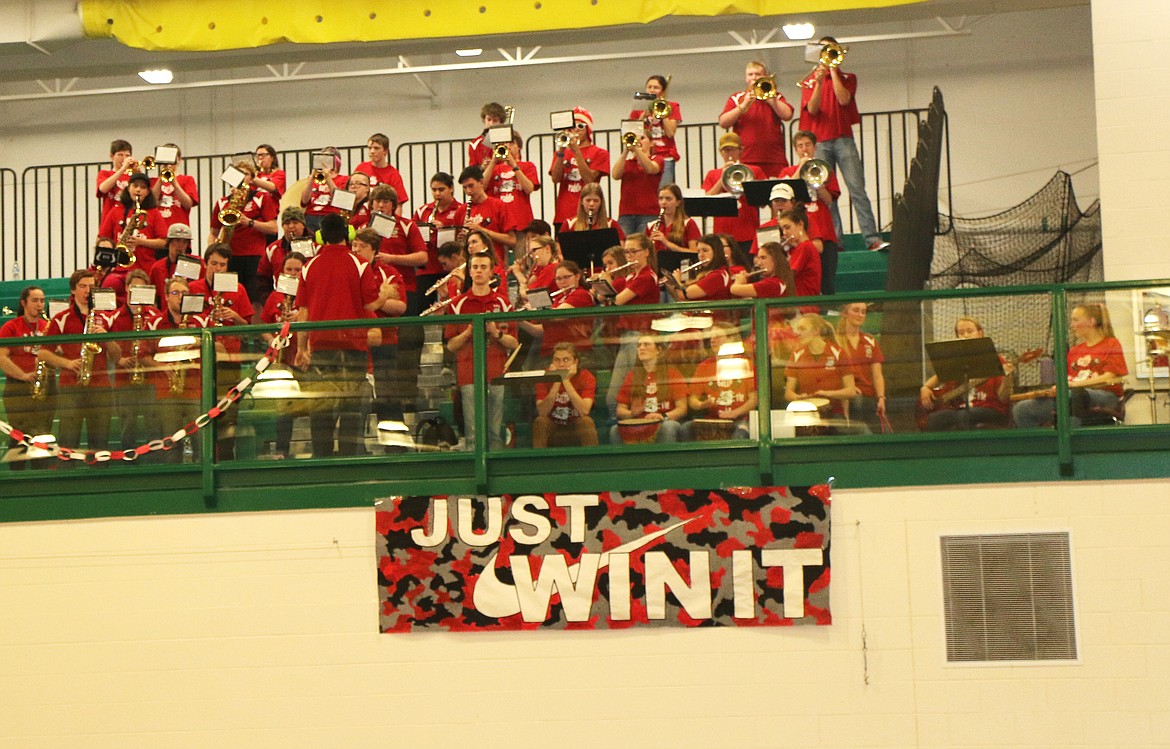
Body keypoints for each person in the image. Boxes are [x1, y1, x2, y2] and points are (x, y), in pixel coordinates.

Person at [295, 214, 395, 457]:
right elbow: (371, 305)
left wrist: (301, 348)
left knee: (321, 408)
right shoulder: (359, 264)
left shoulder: (309, 267)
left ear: (320, 237)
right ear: (348, 235)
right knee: (351, 407)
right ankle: (350, 457)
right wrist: (384, 293)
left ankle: (322, 460)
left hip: (321, 347)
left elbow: (303, 312)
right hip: (353, 347)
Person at [799, 36, 886, 250]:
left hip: (844, 139)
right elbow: (812, 109)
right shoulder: (810, 81)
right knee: (826, 193)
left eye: (831, 51)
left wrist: (834, 71)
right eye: (824, 51)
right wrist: (819, 82)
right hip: (819, 142)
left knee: (857, 189)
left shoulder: (848, 77)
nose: (827, 55)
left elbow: (844, 99)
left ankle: (871, 239)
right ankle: (835, 241)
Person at [38, 270, 118, 463]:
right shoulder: (61, 318)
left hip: (100, 388)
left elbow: (117, 355)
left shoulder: (106, 318)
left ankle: (99, 483)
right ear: (73, 290)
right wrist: (68, 363)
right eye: (83, 286)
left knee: (100, 445)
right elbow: (43, 353)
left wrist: (106, 338)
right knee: (68, 441)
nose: (87, 291)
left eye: (91, 287)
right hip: (71, 387)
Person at [444, 250, 518, 451]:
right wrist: (468, 333)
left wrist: (496, 333)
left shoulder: (503, 303)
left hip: (496, 372)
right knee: (472, 433)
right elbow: (450, 345)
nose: (478, 271)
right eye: (475, 267)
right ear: (469, 271)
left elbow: (514, 343)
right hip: (468, 374)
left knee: (495, 431)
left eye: (483, 267)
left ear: (491, 271)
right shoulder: (457, 304)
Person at [1012, 303, 1127, 429]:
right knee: (1021, 410)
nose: (1072, 325)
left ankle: (1072, 441)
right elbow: (1068, 379)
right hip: (1070, 394)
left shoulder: (1111, 344)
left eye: (1075, 320)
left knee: (1073, 395)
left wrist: (1072, 386)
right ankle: (1042, 447)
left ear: (1091, 321)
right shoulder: (1074, 351)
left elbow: (1108, 377)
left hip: (1104, 395)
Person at [189, 244, 256, 459]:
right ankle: (202, 460)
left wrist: (235, 316)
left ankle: (227, 460)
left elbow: (248, 328)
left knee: (228, 414)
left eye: (223, 265)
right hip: (201, 362)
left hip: (230, 361)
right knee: (202, 413)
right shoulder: (193, 288)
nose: (218, 268)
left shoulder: (238, 288)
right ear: (205, 264)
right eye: (214, 263)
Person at [149, 276, 210, 464]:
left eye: (184, 293)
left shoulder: (201, 322)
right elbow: (143, 354)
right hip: (167, 392)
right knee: (170, 445)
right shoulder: (155, 323)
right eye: (175, 293)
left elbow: (220, 348)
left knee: (202, 443)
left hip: (195, 390)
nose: (180, 297)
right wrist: (160, 366)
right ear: (166, 297)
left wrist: (201, 341)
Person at [919, 317, 1013, 431]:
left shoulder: (996, 360)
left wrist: (1008, 377)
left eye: (970, 331)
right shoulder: (957, 360)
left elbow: (1003, 398)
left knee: (964, 416)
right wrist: (925, 388)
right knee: (934, 418)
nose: (966, 335)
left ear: (980, 333)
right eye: (961, 332)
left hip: (990, 408)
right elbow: (939, 376)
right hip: (960, 408)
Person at [105, 269, 162, 453]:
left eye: (142, 288)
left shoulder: (154, 314)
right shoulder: (114, 317)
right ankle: (128, 459)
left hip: (150, 378)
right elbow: (104, 347)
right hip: (123, 379)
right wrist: (119, 359)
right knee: (127, 422)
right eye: (134, 287)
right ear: (127, 288)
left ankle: (155, 461)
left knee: (153, 421)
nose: (137, 291)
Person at [209, 160, 280, 307]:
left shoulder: (261, 197)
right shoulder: (222, 202)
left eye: (245, 174)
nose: (241, 177)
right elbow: (214, 232)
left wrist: (250, 222)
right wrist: (212, 251)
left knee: (256, 298)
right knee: (230, 297)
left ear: (252, 179)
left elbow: (274, 228)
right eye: (238, 174)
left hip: (254, 256)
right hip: (229, 256)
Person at [603, 234, 660, 418]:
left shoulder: (646, 277)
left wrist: (608, 283)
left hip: (639, 337)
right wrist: (602, 284)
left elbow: (617, 301)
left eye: (634, 251)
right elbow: (602, 297)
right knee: (614, 396)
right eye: (627, 252)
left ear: (646, 252)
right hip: (627, 336)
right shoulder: (630, 275)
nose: (629, 256)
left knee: (617, 396)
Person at [778, 130, 842, 293]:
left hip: (824, 230)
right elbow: (785, 192)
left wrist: (818, 184)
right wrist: (801, 168)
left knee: (827, 279)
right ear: (796, 150)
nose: (804, 148)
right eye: (800, 146)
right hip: (799, 232)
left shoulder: (825, 170)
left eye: (807, 145)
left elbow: (829, 200)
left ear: (814, 147)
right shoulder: (787, 172)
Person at [259, 252, 307, 458]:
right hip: (283, 361)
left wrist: (301, 316)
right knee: (284, 409)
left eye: (298, 270)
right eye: (289, 270)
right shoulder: (275, 296)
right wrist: (271, 340)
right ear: (282, 272)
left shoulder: (310, 294)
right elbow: (263, 325)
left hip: (306, 359)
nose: (294, 274)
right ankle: (281, 450)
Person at [0, 286, 53, 470]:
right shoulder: (11, 327)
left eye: (41, 300)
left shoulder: (48, 327)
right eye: (35, 300)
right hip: (18, 388)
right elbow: (1, 357)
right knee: (20, 436)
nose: (39, 305)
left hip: (44, 387)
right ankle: (17, 478)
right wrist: (22, 375)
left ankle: (42, 477)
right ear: (24, 303)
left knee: (42, 436)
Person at [718, 60, 795, 177]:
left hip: (774, 159)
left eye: (757, 74)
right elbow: (723, 122)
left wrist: (771, 100)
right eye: (750, 74)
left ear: (764, 77)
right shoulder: (736, 98)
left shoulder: (775, 96)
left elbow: (787, 115)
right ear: (746, 79)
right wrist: (743, 105)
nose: (754, 78)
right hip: (746, 158)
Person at [683, 322, 757, 440]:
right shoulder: (704, 366)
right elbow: (692, 400)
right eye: (711, 337)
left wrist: (734, 413)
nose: (712, 340)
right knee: (686, 428)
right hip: (712, 419)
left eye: (717, 336)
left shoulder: (746, 364)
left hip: (740, 418)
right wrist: (702, 404)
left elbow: (754, 399)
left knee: (740, 434)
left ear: (731, 339)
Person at [610, 335, 687, 444]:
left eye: (646, 345)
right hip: (639, 422)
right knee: (615, 430)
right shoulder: (632, 376)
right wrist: (632, 413)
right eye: (639, 345)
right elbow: (620, 410)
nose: (641, 348)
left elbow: (682, 408)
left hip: (665, 421)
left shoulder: (672, 373)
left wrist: (663, 416)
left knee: (669, 427)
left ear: (658, 350)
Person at [785, 313, 858, 426]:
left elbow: (851, 391)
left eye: (802, 329)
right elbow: (788, 393)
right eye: (797, 329)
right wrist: (798, 397)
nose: (797, 333)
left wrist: (827, 394)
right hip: (806, 414)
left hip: (833, 414)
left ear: (816, 331)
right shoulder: (796, 355)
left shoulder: (838, 353)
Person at [701, 133, 766, 256]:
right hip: (722, 236)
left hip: (748, 234)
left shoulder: (754, 171)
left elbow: (762, 202)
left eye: (733, 150)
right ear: (720, 152)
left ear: (740, 151)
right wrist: (722, 178)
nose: (729, 154)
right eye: (726, 150)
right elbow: (706, 200)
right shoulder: (712, 174)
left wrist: (747, 182)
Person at [549, 106, 611, 227]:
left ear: (588, 129)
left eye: (580, 126)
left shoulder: (600, 153)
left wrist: (576, 151)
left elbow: (589, 180)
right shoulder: (561, 153)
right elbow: (555, 179)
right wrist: (561, 151)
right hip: (563, 214)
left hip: (589, 214)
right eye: (572, 127)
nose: (575, 130)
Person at [414, 172, 467, 302]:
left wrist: (443, 229)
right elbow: (413, 235)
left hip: (451, 266)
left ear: (451, 189)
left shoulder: (461, 209)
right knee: (422, 305)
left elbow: (463, 238)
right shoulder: (423, 211)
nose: (437, 194)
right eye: (434, 190)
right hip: (427, 267)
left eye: (441, 189)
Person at [533, 343, 598, 448]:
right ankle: (539, 463)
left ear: (575, 362)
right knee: (540, 422)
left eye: (566, 360)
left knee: (586, 421)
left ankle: (592, 462)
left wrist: (566, 381)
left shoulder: (587, 377)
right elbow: (542, 412)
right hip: (553, 428)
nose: (561, 365)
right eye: (557, 360)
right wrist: (557, 380)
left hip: (576, 428)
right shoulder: (544, 377)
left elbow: (584, 411)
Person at [97, 171, 167, 265]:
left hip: (145, 266)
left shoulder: (154, 212)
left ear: (147, 192)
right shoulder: (116, 211)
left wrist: (141, 242)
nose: (138, 190)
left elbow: (164, 242)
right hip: (118, 268)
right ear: (128, 188)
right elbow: (102, 238)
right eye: (135, 186)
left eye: (143, 187)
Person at [836, 302, 886, 432]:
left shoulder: (870, 341)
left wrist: (881, 397)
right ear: (845, 313)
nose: (860, 315)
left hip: (868, 397)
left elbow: (877, 374)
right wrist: (849, 388)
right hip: (846, 396)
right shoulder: (834, 341)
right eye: (856, 310)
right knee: (857, 402)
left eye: (863, 312)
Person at [483, 129, 539, 237]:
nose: (508, 146)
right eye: (504, 144)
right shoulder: (494, 168)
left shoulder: (528, 166)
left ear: (519, 147)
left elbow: (529, 188)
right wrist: (493, 162)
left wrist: (514, 165)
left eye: (512, 143)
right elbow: (482, 186)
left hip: (521, 222)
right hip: (498, 222)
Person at [630, 74, 682, 188]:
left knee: (664, 190)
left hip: (665, 156)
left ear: (662, 92)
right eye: (649, 87)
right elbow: (632, 132)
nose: (652, 90)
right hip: (645, 156)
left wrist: (662, 113)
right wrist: (643, 116)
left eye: (656, 87)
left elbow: (670, 133)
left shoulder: (672, 106)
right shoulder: (639, 107)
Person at [458, 165, 515, 266]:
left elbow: (511, 240)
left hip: (494, 263)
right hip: (471, 265)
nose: (468, 191)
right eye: (465, 188)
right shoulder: (462, 210)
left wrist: (481, 230)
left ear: (481, 182)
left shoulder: (498, 205)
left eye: (471, 186)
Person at [612, 132, 663, 238]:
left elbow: (650, 169)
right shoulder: (628, 162)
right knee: (623, 248)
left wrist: (636, 149)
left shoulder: (657, 159)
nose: (639, 140)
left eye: (642, 138)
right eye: (636, 138)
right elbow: (615, 175)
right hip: (626, 214)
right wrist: (626, 150)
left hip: (649, 213)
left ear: (652, 143)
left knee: (644, 246)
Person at [258, 206, 314, 293]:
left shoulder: (316, 248)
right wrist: (267, 298)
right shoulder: (272, 249)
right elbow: (262, 277)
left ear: (303, 225)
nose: (291, 226)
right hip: (281, 297)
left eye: (295, 222)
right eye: (287, 223)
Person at [647, 184, 700, 272]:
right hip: (657, 269)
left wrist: (666, 243)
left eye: (668, 199)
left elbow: (694, 252)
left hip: (681, 269)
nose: (663, 202)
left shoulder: (688, 223)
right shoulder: (652, 225)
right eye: (661, 198)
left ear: (678, 202)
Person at [147, 223, 202, 305]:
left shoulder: (197, 264)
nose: (180, 245)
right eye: (177, 241)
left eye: (184, 242)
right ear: (169, 242)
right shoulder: (157, 268)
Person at [150, 143, 199, 233]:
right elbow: (151, 202)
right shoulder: (153, 181)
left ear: (179, 160)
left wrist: (175, 183)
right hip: (158, 231)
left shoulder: (187, 179)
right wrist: (161, 178)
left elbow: (188, 204)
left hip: (179, 231)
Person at [669, 234, 733, 302]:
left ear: (716, 252)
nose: (701, 255)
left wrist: (676, 281)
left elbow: (684, 294)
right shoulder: (707, 273)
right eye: (699, 251)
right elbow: (681, 299)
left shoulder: (717, 275)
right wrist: (670, 284)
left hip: (712, 312)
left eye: (705, 250)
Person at [355, 133, 410, 211]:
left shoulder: (393, 174)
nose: (372, 151)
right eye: (370, 148)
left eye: (376, 148)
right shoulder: (361, 168)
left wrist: (395, 222)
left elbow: (398, 205)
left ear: (385, 151)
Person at [778, 208, 822, 301]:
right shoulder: (802, 248)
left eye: (788, 227)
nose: (785, 233)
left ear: (800, 225)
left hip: (803, 304)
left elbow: (786, 275)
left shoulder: (804, 247)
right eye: (782, 229)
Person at [301, 146, 347, 231]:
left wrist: (328, 178)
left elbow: (341, 201)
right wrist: (311, 179)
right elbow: (304, 200)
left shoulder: (344, 179)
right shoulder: (314, 179)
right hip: (311, 216)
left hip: (331, 216)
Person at [560, 183, 625, 241]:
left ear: (601, 202)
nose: (591, 204)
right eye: (588, 200)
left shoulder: (611, 224)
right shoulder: (569, 224)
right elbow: (559, 249)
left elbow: (620, 250)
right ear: (582, 202)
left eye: (596, 200)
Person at [95, 138, 134, 221]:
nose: (124, 158)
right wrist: (123, 169)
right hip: (110, 219)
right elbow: (103, 189)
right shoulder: (105, 173)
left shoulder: (133, 175)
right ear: (112, 156)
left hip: (130, 218)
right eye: (120, 155)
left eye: (127, 155)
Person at [468, 102, 508, 168]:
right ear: (484, 120)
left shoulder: (508, 141)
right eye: (489, 120)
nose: (491, 123)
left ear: (501, 122)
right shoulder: (474, 143)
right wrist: (482, 167)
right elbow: (472, 170)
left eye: (495, 120)